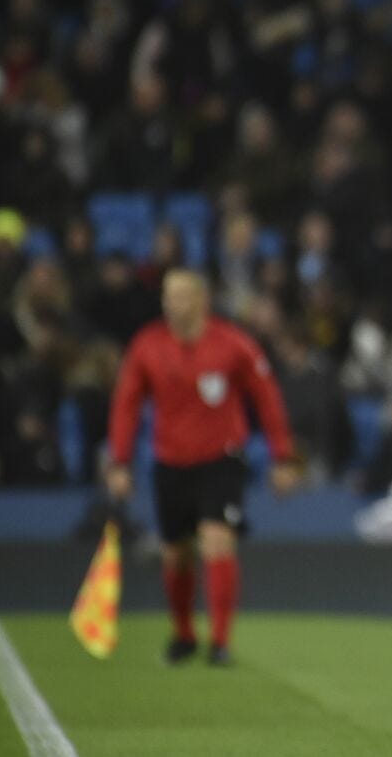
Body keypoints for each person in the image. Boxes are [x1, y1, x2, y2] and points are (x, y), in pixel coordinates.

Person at [105, 269, 301, 666]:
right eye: (166, 296)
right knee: (176, 554)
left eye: (178, 296)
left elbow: (267, 397)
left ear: (201, 301)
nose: (170, 303)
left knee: (216, 540)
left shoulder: (232, 344)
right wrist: (120, 461)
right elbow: (126, 405)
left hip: (221, 459)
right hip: (170, 461)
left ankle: (221, 642)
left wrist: (283, 456)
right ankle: (184, 634)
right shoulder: (147, 346)